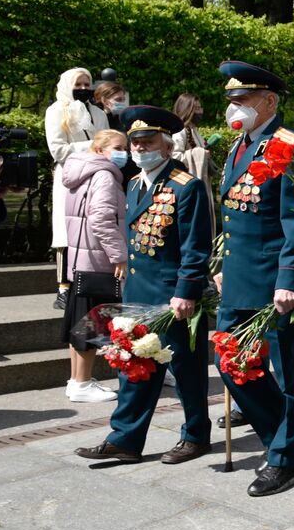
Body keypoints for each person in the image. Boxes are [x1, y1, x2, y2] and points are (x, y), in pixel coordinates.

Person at [73, 107, 214, 464]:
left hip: (172, 296)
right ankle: (125, 438)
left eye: (147, 141)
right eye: (134, 142)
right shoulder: (135, 183)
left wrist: (187, 291)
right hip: (138, 293)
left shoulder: (187, 186)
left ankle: (196, 435)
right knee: (134, 368)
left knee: (186, 372)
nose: (139, 148)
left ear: (167, 147)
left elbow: (196, 246)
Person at [213, 60, 294, 497]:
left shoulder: (287, 147)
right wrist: (219, 263)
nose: (233, 107)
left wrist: (290, 278)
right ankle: (280, 438)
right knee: (230, 362)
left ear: (269, 101)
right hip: (238, 278)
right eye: (231, 100)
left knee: (292, 374)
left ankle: (286, 460)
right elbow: (233, 216)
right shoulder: (240, 145)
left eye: (242, 99)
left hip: (276, 282)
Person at [59, 128, 129, 404]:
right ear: (100, 150)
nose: (124, 152)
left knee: (80, 322)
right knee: (91, 324)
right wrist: (119, 255)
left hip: (80, 258)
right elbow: (101, 219)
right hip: (98, 260)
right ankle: (82, 382)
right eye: (118, 147)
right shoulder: (104, 175)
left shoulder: (80, 172)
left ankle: (77, 380)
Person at [45, 67, 111, 309]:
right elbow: (58, 150)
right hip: (70, 177)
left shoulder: (97, 113)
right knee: (66, 230)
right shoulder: (56, 111)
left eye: (87, 84)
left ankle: (90, 280)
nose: (83, 89)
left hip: (97, 176)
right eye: (78, 84)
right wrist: (92, 146)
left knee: (93, 229)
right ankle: (63, 287)